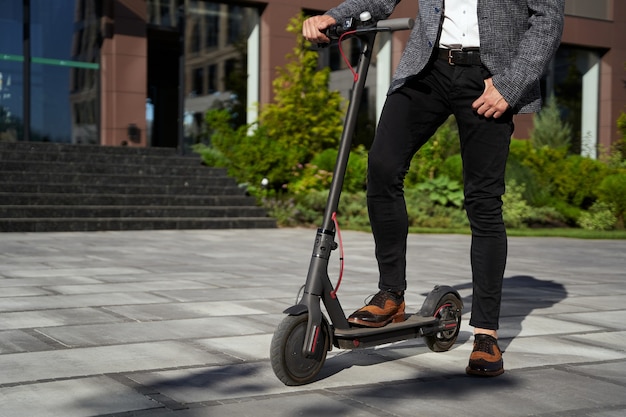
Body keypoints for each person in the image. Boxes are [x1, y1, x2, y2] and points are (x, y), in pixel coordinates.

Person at [303, 0, 564, 377]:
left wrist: (510, 84)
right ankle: (391, 294)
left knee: (483, 201)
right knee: (382, 167)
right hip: (428, 68)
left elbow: (548, 20)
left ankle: (486, 334)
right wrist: (335, 16)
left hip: (491, 77)